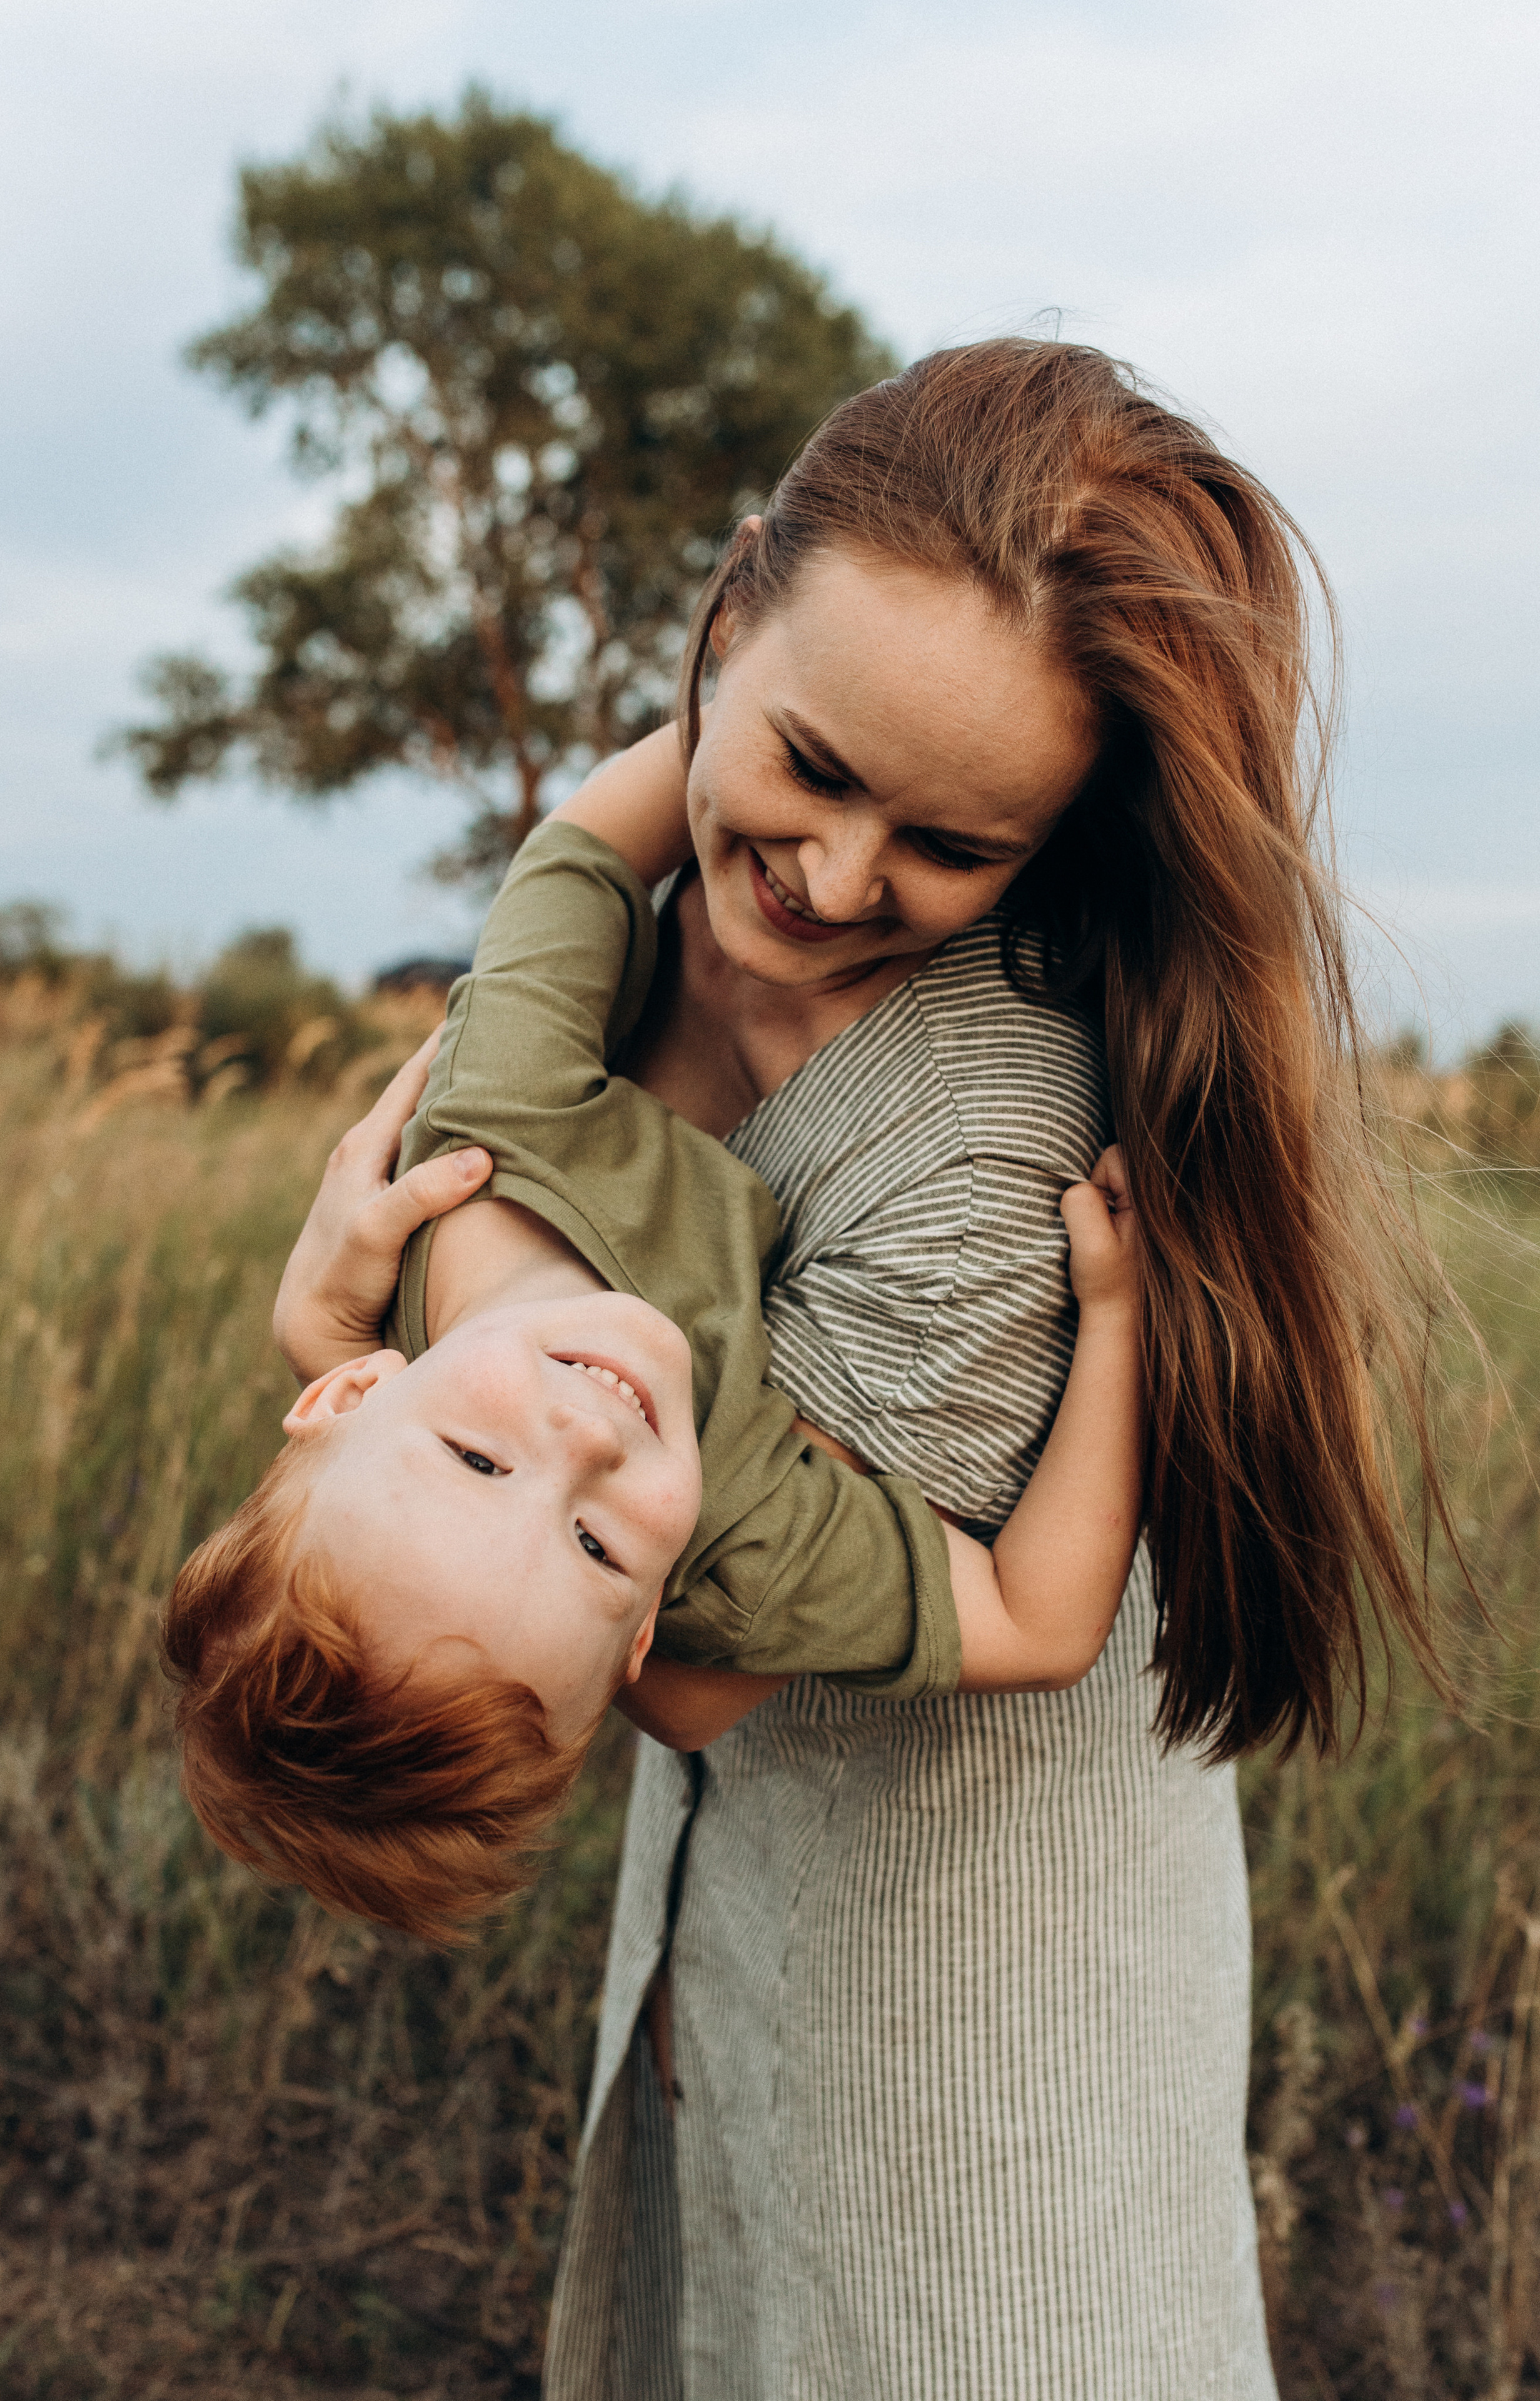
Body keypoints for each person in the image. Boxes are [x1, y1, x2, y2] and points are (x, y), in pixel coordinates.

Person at [273, 340, 1457, 2397]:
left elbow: (690, 1651)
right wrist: (403, 1347)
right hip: (747, 1927)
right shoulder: (644, 920)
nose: (830, 881)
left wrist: (350, 1329)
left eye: (951, 843)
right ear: (726, 626)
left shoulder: (984, 1137)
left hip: (966, 2028)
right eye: (811, 766)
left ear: (1054, 845)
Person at [164, 813, 1140, 1938]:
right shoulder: (735, 1548)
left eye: (477, 1460)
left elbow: (584, 846)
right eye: (596, 1547)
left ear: (349, 1393)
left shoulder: (488, 1124)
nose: (584, 1442)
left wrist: (762, 749)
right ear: (644, 1641)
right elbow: (1040, 1623)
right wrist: (1118, 1315)